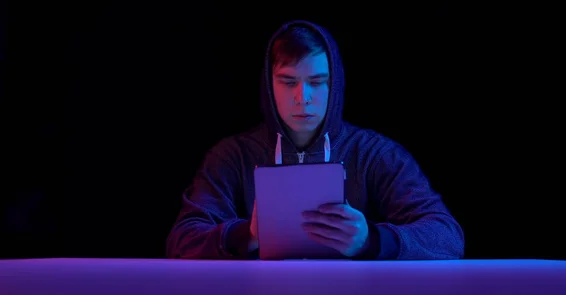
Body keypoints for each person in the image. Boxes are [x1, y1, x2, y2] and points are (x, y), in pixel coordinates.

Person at [166, 20, 465, 260]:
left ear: (334, 85)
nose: (303, 98)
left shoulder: (375, 155)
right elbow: (182, 239)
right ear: (269, 85)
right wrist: (248, 235)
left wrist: (372, 240)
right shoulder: (232, 156)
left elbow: (447, 236)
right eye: (288, 82)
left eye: (317, 83)